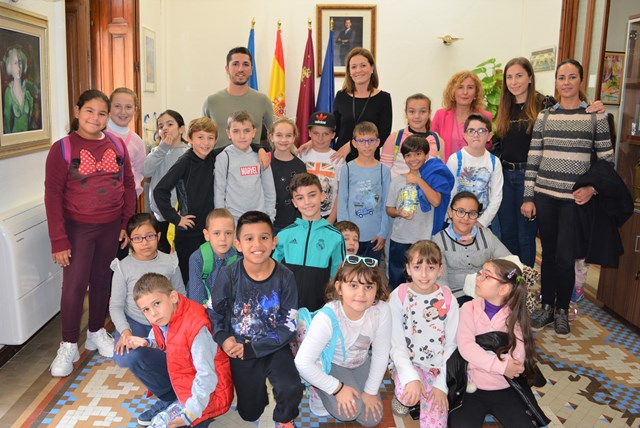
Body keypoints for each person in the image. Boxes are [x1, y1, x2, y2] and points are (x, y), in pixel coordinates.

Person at [44, 89, 136, 377]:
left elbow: (129, 186)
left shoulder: (117, 146)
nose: (95, 118)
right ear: (77, 111)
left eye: (101, 113)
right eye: (89, 111)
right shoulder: (62, 149)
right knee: (73, 286)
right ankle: (69, 343)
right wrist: (59, 239)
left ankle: (96, 332)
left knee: (102, 280)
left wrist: (125, 224)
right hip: (77, 229)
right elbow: (52, 196)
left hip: (110, 227)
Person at [522, 59, 613, 338]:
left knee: (565, 256)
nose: (566, 82)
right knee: (548, 255)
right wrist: (529, 196)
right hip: (545, 196)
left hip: (575, 200)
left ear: (581, 81)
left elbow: (606, 161)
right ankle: (547, 306)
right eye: (561, 77)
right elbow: (534, 157)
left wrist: (593, 189)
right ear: (557, 82)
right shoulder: (545, 116)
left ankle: (563, 309)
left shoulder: (595, 117)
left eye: (572, 77)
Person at [495, 57, 605, 268]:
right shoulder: (504, 107)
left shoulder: (544, 105)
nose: (514, 81)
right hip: (505, 176)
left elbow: (572, 109)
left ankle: (525, 284)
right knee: (507, 233)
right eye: (509, 77)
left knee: (525, 236)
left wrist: (595, 107)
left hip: (532, 177)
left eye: (519, 75)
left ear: (530, 78)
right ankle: (509, 284)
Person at [210, 211, 303, 426]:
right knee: (250, 414)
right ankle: (257, 391)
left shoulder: (285, 277)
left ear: (274, 242)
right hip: (240, 348)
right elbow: (214, 311)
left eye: (264, 237)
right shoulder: (229, 274)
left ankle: (284, 418)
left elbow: (288, 324)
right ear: (238, 244)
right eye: (249, 238)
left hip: (275, 346)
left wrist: (254, 348)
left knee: (291, 388)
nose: (257, 244)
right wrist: (224, 338)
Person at [294, 255, 392, 427]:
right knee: (349, 412)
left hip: (360, 362)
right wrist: (336, 388)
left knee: (371, 419)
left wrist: (370, 391)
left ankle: (344, 387)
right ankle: (318, 389)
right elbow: (302, 363)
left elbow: (381, 353)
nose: (361, 294)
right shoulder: (328, 316)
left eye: (368, 286)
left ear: (376, 289)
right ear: (339, 287)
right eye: (353, 285)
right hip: (333, 363)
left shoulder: (382, 310)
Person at [126, 273, 233, 427]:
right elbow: (166, 338)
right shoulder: (166, 314)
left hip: (211, 393)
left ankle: (185, 407)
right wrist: (147, 342)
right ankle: (172, 399)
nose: (153, 313)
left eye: (157, 303)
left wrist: (190, 414)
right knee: (135, 355)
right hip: (186, 382)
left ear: (173, 297)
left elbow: (207, 376)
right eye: (146, 310)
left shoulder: (196, 327)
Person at [448, 260, 546, 427]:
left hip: (506, 388)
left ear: (503, 289)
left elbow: (517, 357)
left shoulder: (515, 316)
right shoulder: (468, 308)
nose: (478, 277)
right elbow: (466, 347)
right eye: (480, 273)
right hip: (471, 389)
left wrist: (481, 359)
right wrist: (500, 366)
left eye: (486, 275)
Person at [108, 213, 186, 423]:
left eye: (150, 236)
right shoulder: (123, 267)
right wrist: (125, 331)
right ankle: (169, 397)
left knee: (177, 354)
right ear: (130, 240)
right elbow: (115, 305)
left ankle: (182, 392)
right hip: (136, 324)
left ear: (158, 236)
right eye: (137, 238)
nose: (145, 243)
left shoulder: (169, 262)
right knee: (128, 356)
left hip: (167, 324)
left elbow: (181, 296)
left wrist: (178, 328)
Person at [388, 240, 459, 427]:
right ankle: (406, 396)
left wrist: (440, 385)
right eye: (417, 267)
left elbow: (452, 344)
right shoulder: (399, 296)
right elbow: (396, 344)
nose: (424, 274)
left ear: (440, 269)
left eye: (431, 267)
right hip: (409, 362)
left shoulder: (448, 299)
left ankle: (425, 393)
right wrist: (411, 377)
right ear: (408, 269)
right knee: (408, 391)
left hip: (438, 368)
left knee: (437, 422)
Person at [153, 117, 219, 285]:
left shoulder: (214, 157)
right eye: (200, 137)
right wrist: (176, 219)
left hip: (210, 231)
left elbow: (237, 145)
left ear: (216, 140)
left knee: (210, 276)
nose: (205, 143)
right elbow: (160, 191)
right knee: (190, 278)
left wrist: (260, 148)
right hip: (188, 232)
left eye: (210, 138)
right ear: (189, 139)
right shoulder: (185, 162)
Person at [274, 173, 346, 311]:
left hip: (320, 309)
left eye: (312, 195)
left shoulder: (335, 237)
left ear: (322, 196)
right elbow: (273, 272)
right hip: (287, 307)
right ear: (294, 202)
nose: (307, 202)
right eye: (300, 198)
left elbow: (339, 276)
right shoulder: (284, 235)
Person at [432, 192, 510, 304]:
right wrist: (449, 304)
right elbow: (441, 280)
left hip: (485, 295)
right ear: (450, 212)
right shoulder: (439, 240)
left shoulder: (486, 235)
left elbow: (511, 262)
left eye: (472, 213)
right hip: (455, 296)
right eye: (460, 211)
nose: (466, 218)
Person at [386, 136, 442, 289]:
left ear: (426, 155)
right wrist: (399, 213)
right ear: (404, 158)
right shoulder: (397, 180)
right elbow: (389, 209)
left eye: (418, 154)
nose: (413, 159)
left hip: (423, 238)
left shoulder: (431, 179)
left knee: (423, 278)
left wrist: (418, 181)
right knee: (397, 278)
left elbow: (436, 201)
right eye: (408, 155)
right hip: (400, 238)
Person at [337, 121, 391, 261]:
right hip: (352, 238)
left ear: (378, 142)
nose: (367, 145)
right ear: (354, 143)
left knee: (371, 277)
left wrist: (383, 233)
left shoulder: (383, 170)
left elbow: (386, 203)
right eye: (362, 141)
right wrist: (345, 234)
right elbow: (342, 202)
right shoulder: (347, 169)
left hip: (375, 236)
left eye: (371, 141)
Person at [202, 46, 274, 148]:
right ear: (227, 69)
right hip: (217, 163)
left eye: (245, 64)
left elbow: (278, 133)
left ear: (251, 70)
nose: (240, 69)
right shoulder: (211, 102)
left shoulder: (262, 100)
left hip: (252, 163)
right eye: (235, 64)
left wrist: (302, 150)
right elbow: (200, 137)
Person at [214, 110, 276, 222]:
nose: (242, 136)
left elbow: (269, 190)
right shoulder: (223, 158)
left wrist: (270, 218)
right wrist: (222, 221)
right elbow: (219, 192)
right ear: (228, 133)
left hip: (259, 219)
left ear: (254, 132)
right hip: (234, 220)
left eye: (246, 131)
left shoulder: (261, 156)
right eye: (236, 131)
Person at [332, 48, 392, 162]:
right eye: (353, 67)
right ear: (349, 72)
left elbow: (383, 135)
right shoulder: (341, 96)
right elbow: (333, 129)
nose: (358, 70)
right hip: (341, 159)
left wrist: (351, 145)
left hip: (369, 161)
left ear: (372, 68)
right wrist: (314, 142)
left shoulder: (383, 98)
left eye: (363, 65)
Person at [141, 110, 189, 253]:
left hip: (178, 217)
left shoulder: (188, 152)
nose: (165, 129)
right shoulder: (157, 151)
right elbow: (146, 171)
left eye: (170, 124)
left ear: (181, 129)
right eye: (161, 126)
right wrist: (162, 149)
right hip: (158, 216)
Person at [446, 113, 503, 229]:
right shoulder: (455, 159)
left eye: (481, 131)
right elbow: (448, 192)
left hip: (482, 222)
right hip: (456, 220)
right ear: (465, 135)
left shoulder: (494, 162)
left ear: (489, 136)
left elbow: (496, 196)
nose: (476, 135)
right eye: (471, 131)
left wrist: (482, 222)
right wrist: (453, 217)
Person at [431, 71, 492, 162]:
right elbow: (431, 146)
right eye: (460, 87)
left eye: (470, 87)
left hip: (474, 172)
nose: (465, 92)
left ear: (476, 93)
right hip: (446, 171)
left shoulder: (485, 116)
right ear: (453, 91)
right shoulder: (440, 115)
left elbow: (487, 145)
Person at [381, 93, 442, 178]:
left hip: (427, 190)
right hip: (398, 190)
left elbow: (441, 171)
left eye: (423, 111)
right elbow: (384, 171)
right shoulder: (395, 138)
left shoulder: (438, 141)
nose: (417, 116)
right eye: (412, 111)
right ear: (406, 113)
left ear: (429, 113)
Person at [299, 112, 345, 223]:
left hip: (327, 215)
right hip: (303, 214)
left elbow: (341, 192)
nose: (320, 138)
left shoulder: (339, 159)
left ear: (333, 135)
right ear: (309, 133)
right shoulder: (301, 155)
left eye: (325, 134)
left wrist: (332, 218)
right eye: (316, 133)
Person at [187, 208, 238, 307]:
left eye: (228, 233)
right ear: (207, 235)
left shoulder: (237, 258)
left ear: (234, 234)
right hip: (202, 309)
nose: (223, 238)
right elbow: (195, 298)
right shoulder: (197, 259)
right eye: (216, 233)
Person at [269, 117, 306, 232]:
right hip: (267, 222)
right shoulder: (264, 161)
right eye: (279, 135)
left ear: (294, 137)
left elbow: (302, 195)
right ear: (271, 137)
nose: (283, 140)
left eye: (288, 135)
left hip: (292, 224)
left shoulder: (300, 166)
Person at [107, 87, 146, 199]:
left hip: (127, 200)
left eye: (128, 107)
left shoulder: (137, 141)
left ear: (135, 110)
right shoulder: (99, 133)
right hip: (101, 200)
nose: (123, 112)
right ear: (109, 107)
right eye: (117, 106)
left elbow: (139, 172)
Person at [3, 46, 38, 134]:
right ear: (10, 66)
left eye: (20, 62)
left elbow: (32, 121)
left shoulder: (28, 93)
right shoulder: (8, 93)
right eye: (15, 63)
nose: (19, 67)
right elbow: (6, 126)